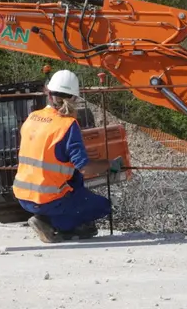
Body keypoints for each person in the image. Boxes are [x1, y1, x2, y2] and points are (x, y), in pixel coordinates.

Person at [12, 70, 121, 243]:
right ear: (75, 98)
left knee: (75, 181)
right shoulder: (67, 125)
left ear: (48, 93)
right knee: (102, 206)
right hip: (46, 199)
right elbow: (85, 168)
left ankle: (49, 219)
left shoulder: (32, 117)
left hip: (22, 195)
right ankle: (52, 224)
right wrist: (110, 164)